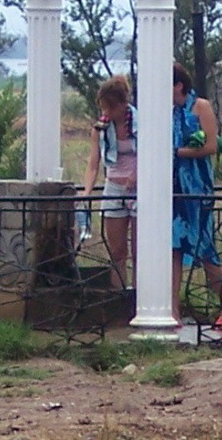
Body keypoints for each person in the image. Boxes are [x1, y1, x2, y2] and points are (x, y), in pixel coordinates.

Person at [171, 63, 222, 328]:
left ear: (178, 85)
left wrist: (178, 152)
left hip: (197, 185)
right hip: (172, 186)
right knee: (172, 247)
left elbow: (210, 145)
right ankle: (171, 311)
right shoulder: (165, 111)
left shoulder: (201, 107)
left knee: (205, 248)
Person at [82, 75, 138, 289]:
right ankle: (119, 296)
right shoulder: (101, 129)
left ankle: (140, 296)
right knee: (117, 251)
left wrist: (138, 175)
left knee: (139, 250)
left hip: (138, 188)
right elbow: (93, 163)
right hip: (114, 186)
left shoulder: (142, 123)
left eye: (110, 108)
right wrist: (86, 192)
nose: (106, 114)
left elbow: (152, 154)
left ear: (123, 105)